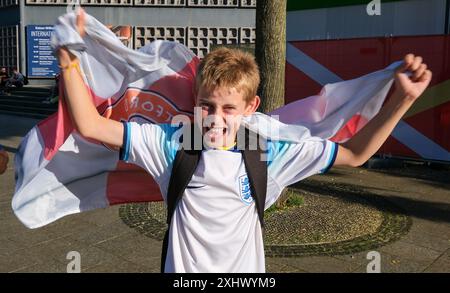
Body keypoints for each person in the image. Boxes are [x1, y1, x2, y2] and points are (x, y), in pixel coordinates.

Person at [56, 9, 432, 272]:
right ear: (195, 101)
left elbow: (354, 153)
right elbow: (91, 126)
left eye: (229, 108)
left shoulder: (270, 150)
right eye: (207, 106)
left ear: (251, 107)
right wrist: (69, 60)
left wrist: (405, 99)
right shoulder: (170, 145)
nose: (216, 119)